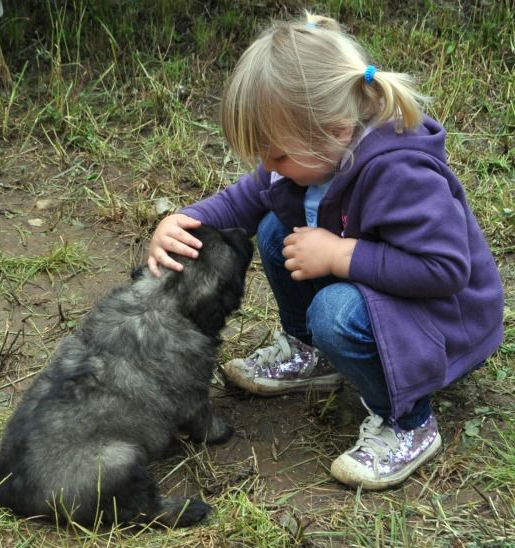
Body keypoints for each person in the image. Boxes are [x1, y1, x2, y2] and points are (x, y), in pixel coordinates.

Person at [147, 12, 504, 490]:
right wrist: (183, 219)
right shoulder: (315, 154)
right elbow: (246, 199)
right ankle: (312, 354)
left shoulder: (400, 171)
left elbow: (444, 270)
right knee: (276, 226)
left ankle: (409, 422)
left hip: (444, 323)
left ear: (335, 130)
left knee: (335, 314)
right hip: (387, 289)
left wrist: (340, 256)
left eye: (276, 155)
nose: (267, 166)